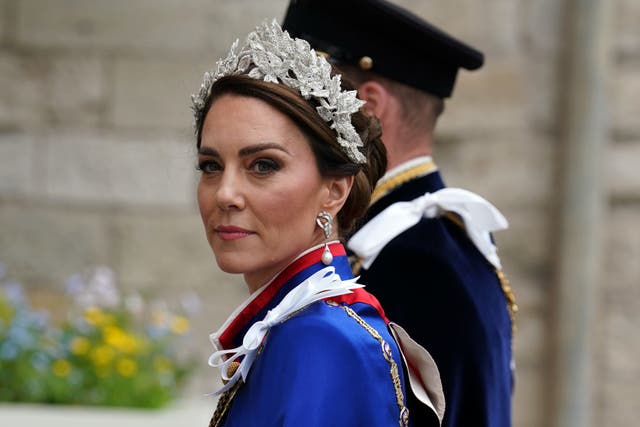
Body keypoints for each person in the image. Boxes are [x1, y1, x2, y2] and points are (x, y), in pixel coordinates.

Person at [191, 20, 444, 427]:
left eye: (263, 165)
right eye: (210, 166)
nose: (225, 194)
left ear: (334, 191)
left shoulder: (321, 340)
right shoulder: (297, 325)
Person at [283, 1, 517, 427]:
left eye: (302, 101)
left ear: (367, 106)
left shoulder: (414, 260)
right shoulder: (430, 239)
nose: (282, 120)